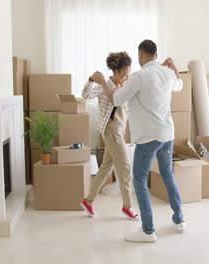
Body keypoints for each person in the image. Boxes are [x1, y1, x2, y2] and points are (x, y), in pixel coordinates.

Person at [90, 39, 185, 243]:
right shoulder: (167, 73)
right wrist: (174, 67)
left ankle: (148, 230)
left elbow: (115, 99)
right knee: (168, 175)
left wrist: (102, 82)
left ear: (141, 54)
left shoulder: (139, 77)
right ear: (156, 55)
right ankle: (179, 219)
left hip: (148, 137)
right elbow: (180, 84)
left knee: (139, 179)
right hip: (168, 135)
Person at [80, 52, 139, 221]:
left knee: (105, 168)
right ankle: (127, 206)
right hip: (111, 131)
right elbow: (85, 96)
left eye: (128, 74)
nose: (125, 78)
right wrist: (91, 80)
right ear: (115, 71)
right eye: (123, 75)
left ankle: (88, 201)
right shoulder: (104, 85)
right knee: (126, 168)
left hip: (118, 131)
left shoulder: (126, 86)